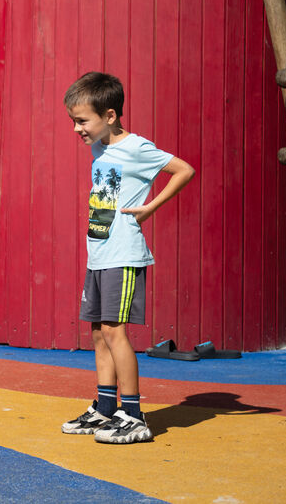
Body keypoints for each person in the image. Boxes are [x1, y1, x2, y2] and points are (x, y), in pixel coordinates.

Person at [62, 72, 195, 444]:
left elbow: (184, 169)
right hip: (99, 253)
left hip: (123, 255)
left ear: (109, 115)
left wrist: (150, 206)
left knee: (114, 332)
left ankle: (133, 414)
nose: (77, 129)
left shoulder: (137, 147)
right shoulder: (100, 147)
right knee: (98, 334)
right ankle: (105, 408)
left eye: (82, 121)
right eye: (73, 121)